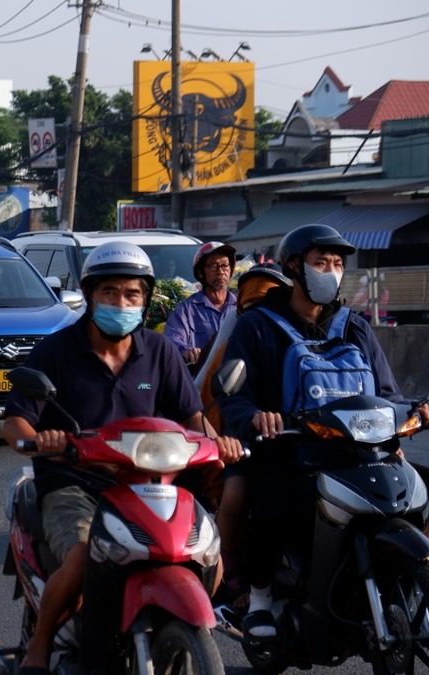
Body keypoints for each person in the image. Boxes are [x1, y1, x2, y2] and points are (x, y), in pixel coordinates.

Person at [2, 241, 243, 673]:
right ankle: (39, 648)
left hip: (150, 484)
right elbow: (17, 422)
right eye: (109, 293)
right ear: (90, 296)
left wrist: (217, 444)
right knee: (81, 556)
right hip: (76, 484)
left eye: (132, 294)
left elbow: (192, 419)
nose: (121, 302)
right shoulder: (56, 351)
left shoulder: (160, 352)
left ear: (145, 300)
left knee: (212, 559)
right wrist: (40, 442)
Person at [219, 223, 427, 638]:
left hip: (359, 454)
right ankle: (259, 598)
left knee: (413, 498)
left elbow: (386, 392)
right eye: (320, 262)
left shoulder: (355, 327)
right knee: (272, 505)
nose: (330, 272)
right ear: (294, 268)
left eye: (336, 264)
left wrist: (409, 416)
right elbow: (234, 394)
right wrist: (257, 417)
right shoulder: (257, 326)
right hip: (290, 451)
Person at [189, 262, 290, 609]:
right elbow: (216, 400)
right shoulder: (238, 339)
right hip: (247, 435)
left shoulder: (303, 336)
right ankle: (232, 574)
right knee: (235, 494)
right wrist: (250, 419)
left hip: (299, 436)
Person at [165, 241, 237, 371]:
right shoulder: (186, 310)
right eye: (214, 266)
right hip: (198, 380)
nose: (221, 272)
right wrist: (186, 351)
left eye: (225, 265)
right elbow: (172, 341)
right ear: (201, 272)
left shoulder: (240, 307)